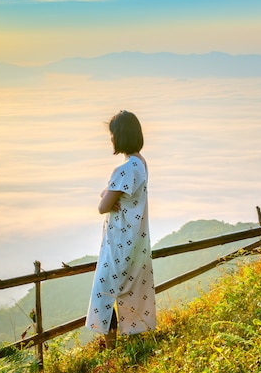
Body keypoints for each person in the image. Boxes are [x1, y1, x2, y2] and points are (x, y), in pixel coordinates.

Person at [85, 110, 157, 350]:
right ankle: (134, 344)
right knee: (131, 290)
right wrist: (108, 194)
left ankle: (112, 350)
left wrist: (106, 194)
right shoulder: (141, 163)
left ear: (121, 136)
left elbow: (101, 206)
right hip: (136, 241)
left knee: (105, 294)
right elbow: (109, 197)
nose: (111, 139)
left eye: (113, 134)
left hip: (118, 244)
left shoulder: (123, 170)